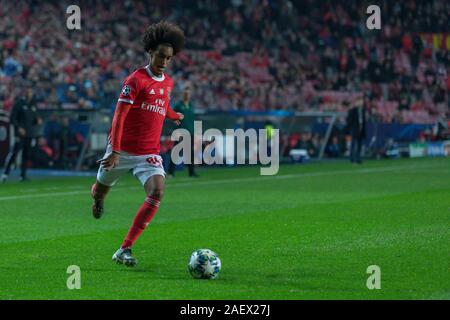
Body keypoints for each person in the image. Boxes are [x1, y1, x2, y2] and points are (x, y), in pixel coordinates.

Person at [90, 21, 185, 267]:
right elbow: (119, 116)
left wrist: (173, 115)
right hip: (121, 150)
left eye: (169, 58)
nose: (164, 61)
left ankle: (125, 248)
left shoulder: (168, 83)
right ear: (150, 52)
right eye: (161, 56)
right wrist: (115, 151)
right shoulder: (135, 80)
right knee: (101, 190)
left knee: (158, 191)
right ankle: (98, 199)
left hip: (148, 153)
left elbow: (161, 105)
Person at [1, 87, 42, 182]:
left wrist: (37, 120)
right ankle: (5, 174)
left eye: (31, 91)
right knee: (14, 153)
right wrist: (18, 128)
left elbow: (34, 118)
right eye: (28, 91)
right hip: (20, 134)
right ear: (24, 92)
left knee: (26, 154)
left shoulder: (33, 104)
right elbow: (12, 118)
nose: (29, 93)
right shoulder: (19, 103)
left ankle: (23, 175)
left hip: (30, 133)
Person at [168, 83, 199, 177]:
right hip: (180, 132)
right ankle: (171, 172)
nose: (187, 95)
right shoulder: (178, 105)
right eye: (186, 93)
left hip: (190, 132)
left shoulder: (191, 105)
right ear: (183, 95)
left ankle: (191, 172)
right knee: (176, 152)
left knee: (190, 153)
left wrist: (195, 132)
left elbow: (193, 119)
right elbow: (173, 118)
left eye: (188, 94)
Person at [346, 97, 367, 164]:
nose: (361, 103)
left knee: (359, 145)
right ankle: (352, 158)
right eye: (360, 101)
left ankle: (358, 158)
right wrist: (351, 128)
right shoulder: (353, 110)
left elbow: (363, 121)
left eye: (362, 101)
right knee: (353, 144)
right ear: (356, 102)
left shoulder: (363, 110)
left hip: (361, 130)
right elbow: (349, 120)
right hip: (354, 130)